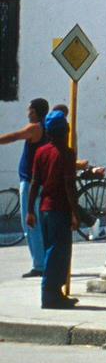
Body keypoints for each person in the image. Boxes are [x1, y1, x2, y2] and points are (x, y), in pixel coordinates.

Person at [27, 113, 78, 309]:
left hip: (44, 210)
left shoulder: (41, 152)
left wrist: (30, 210)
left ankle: (54, 293)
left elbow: (34, 183)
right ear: (65, 131)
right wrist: (75, 212)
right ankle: (50, 294)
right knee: (59, 253)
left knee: (51, 250)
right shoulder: (66, 153)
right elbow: (69, 186)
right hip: (59, 210)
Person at [0, 97, 50, 277]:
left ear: (35, 111)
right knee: (39, 223)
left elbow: (14, 136)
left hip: (30, 182)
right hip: (40, 181)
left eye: (29, 110)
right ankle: (44, 261)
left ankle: (39, 265)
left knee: (29, 223)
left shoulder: (35, 128)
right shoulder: (47, 127)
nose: (27, 113)